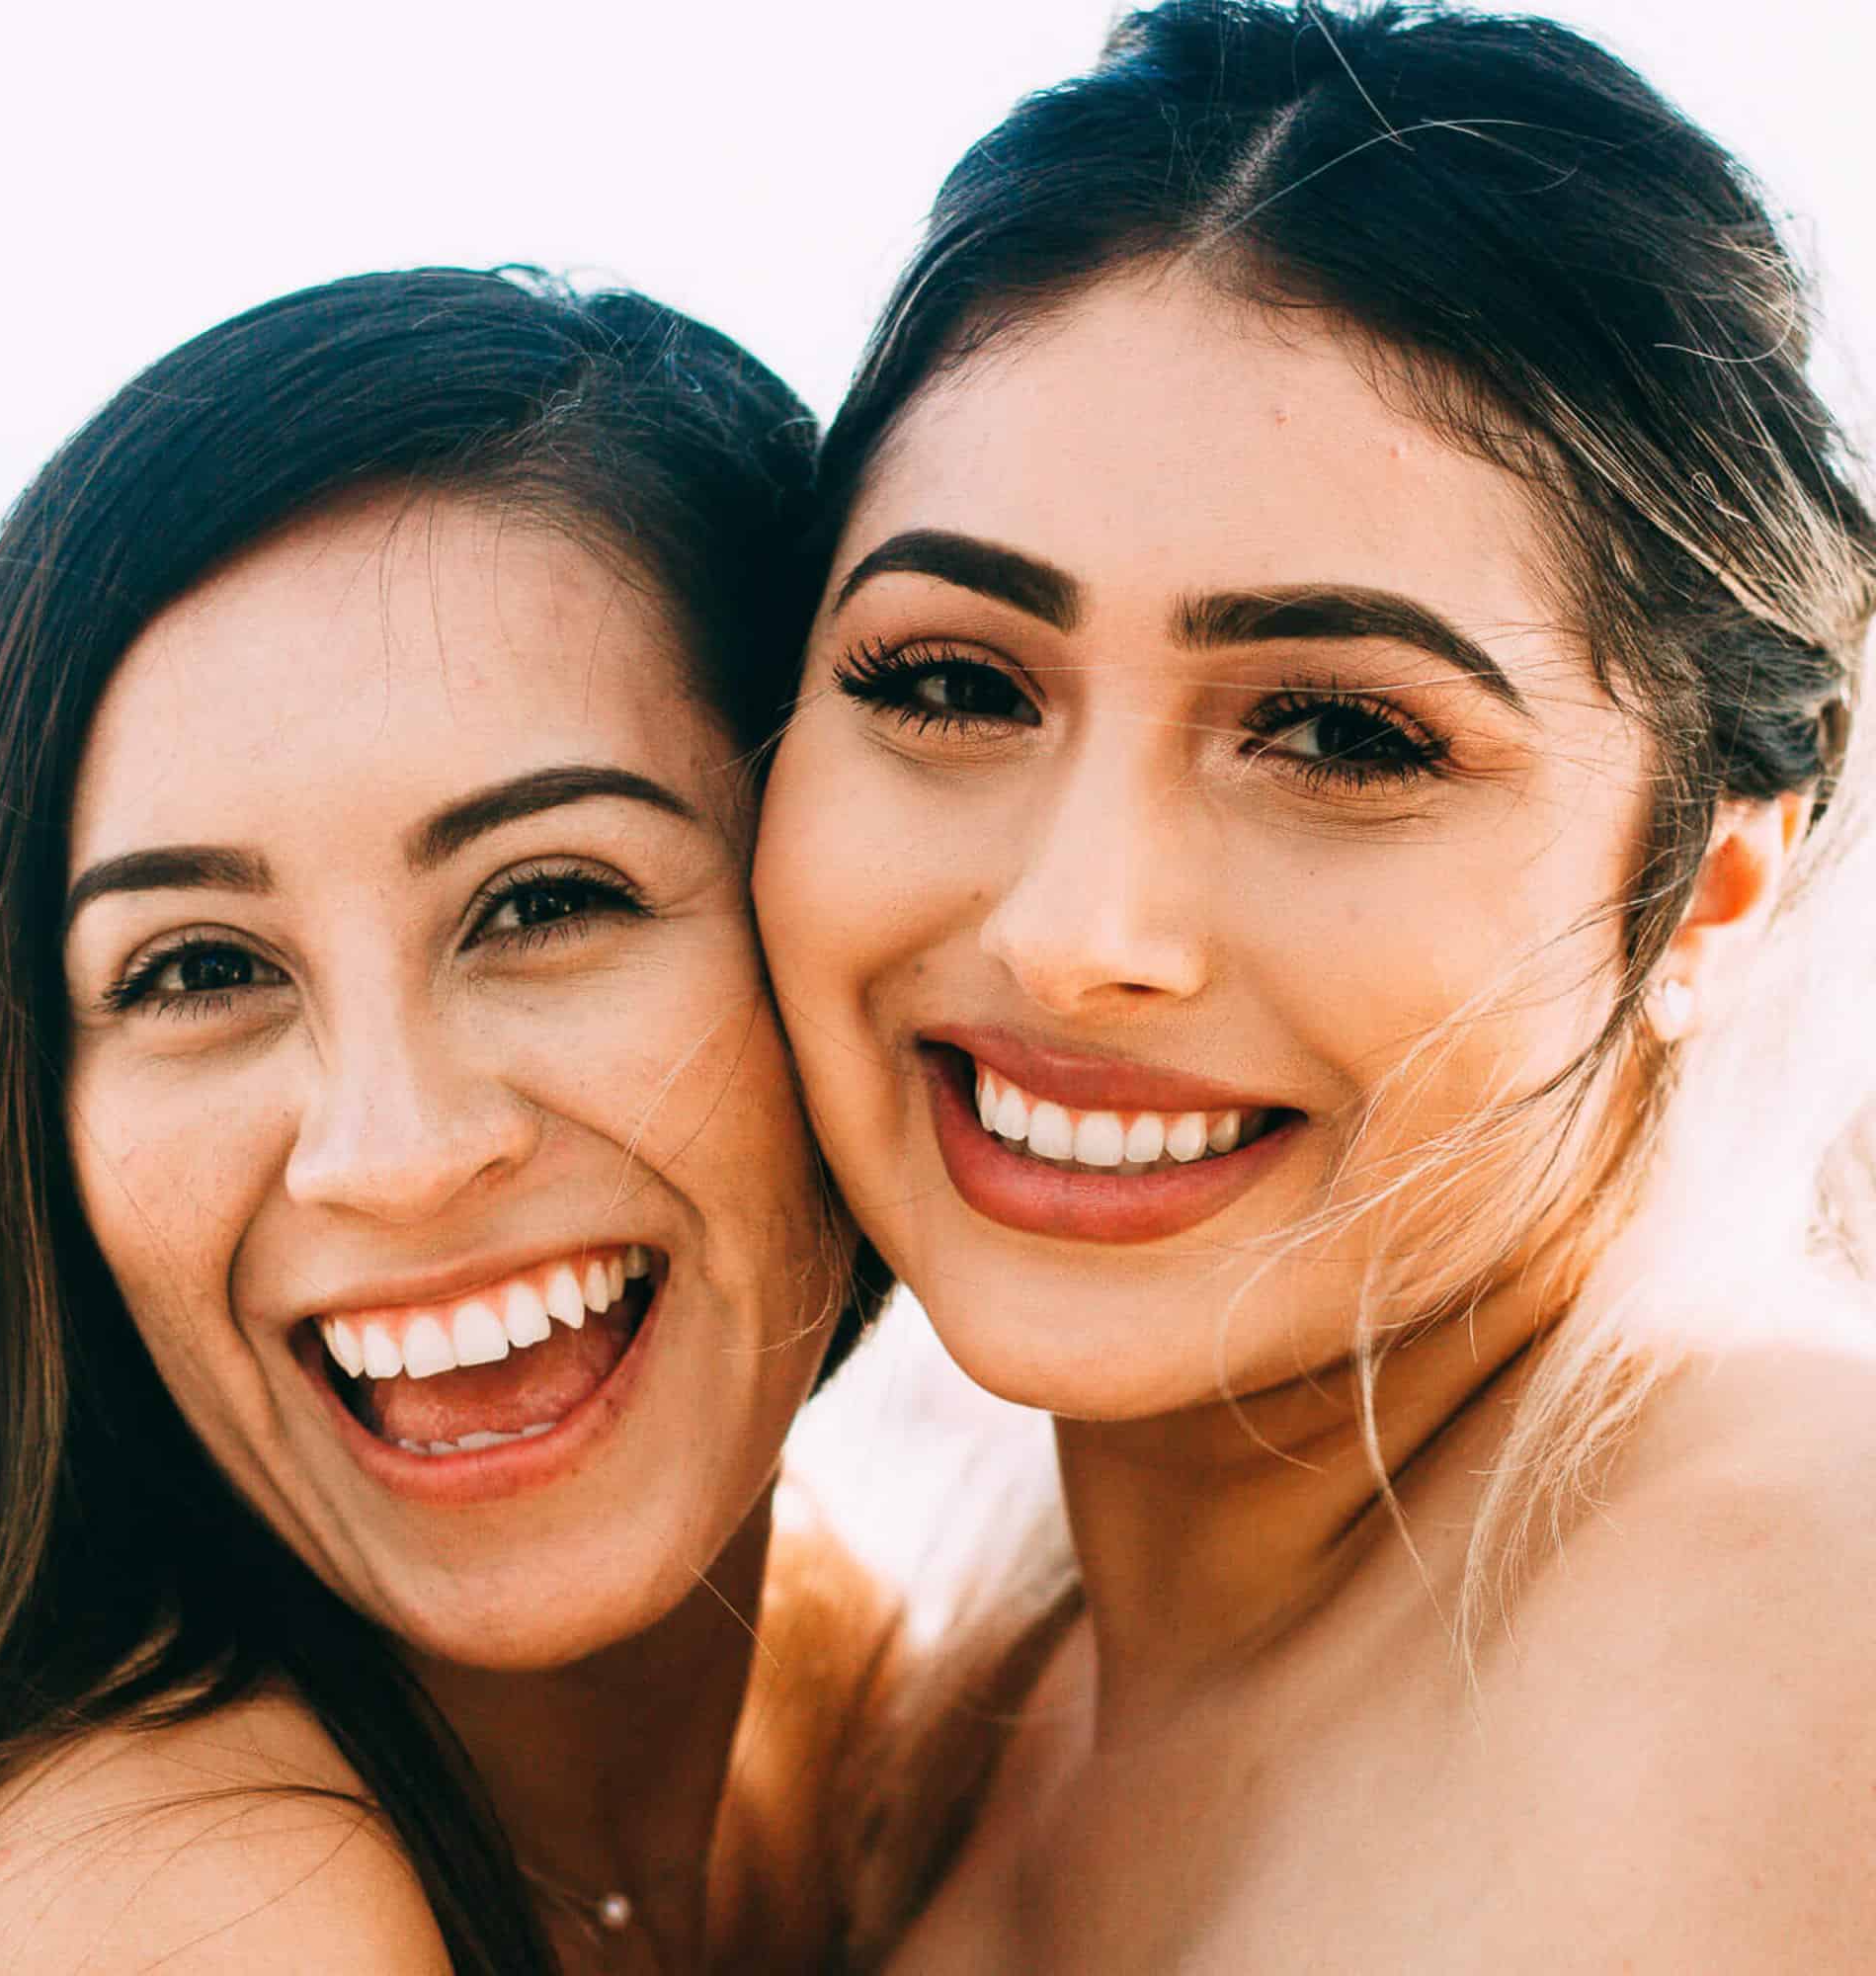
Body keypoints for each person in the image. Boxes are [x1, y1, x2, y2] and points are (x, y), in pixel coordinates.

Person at [754, 4, 1876, 1968]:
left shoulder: (1807, 1606)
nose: (1073, 926)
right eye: (949, 682)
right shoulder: (960, 1724)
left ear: (1709, 885)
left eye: (1347, 736)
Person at [0, 265, 889, 1975]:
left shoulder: (859, 1700)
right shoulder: (189, 1911)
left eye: (541, 902)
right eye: (199, 968)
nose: (396, 1151)